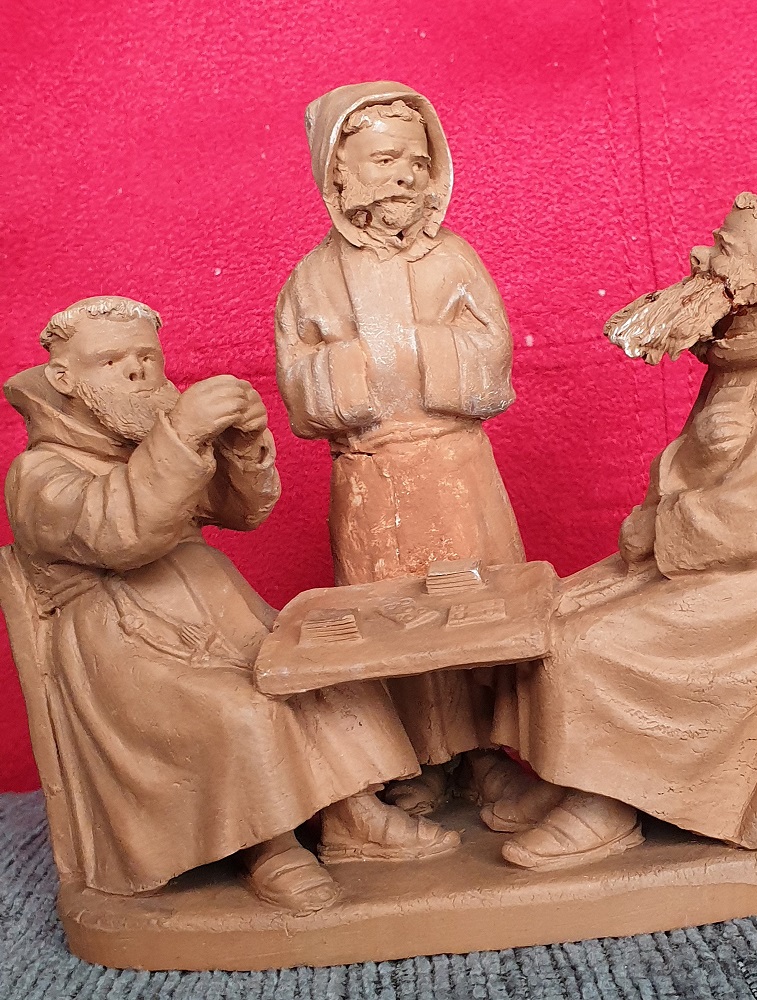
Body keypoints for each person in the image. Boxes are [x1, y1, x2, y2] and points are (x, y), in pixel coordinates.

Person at [2, 296, 460, 912]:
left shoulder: (145, 442)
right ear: (64, 378)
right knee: (240, 707)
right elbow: (120, 534)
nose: (137, 371)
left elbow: (242, 512)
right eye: (111, 361)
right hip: (125, 642)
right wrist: (180, 435)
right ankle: (271, 848)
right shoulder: (39, 472)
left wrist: (243, 443)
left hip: (221, 613)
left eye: (146, 357)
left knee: (320, 670)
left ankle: (351, 815)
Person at [490, 194, 757, 871]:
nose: (701, 255)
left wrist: (660, 527)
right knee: (549, 614)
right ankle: (576, 772)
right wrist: (682, 488)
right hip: (706, 565)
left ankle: (609, 804)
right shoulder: (750, 359)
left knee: (585, 644)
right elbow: (702, 471)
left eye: (723, 249)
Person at [275, 82, 527, 811]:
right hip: (371, 474)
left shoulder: (455, 260)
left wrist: (408, 348)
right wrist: (361, 366)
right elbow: (298, 381)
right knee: (387, 619)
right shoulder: (312, 280)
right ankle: (417, 762)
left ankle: (488, 755)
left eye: (418, 162)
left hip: (454, 465)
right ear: (339, 171)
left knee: (478, 608)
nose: (406, 178)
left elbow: (493, 351)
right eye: (385, 161)